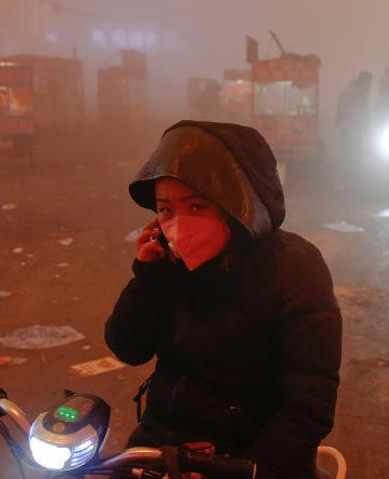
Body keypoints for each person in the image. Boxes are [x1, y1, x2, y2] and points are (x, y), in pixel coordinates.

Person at [105, 121, 342, 479]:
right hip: (161, 445)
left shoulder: (294, 269)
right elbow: (128, 347)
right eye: (166, 210)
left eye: (197, 207)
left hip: (248, 459)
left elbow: (308, 408)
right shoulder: (170, 263)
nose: (179, 226)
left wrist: (244, 469)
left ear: (239, 205)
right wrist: (149, 277)